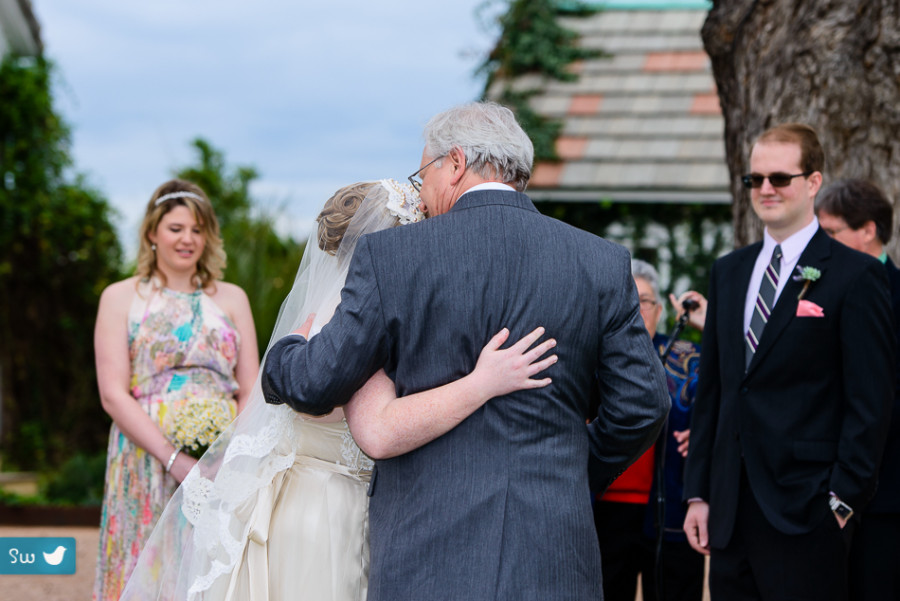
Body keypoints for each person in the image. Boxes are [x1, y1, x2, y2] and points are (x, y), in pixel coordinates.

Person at [261, 102, 670, 601]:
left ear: (454, 163)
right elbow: (644, 405)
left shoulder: (393, 258)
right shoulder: (600, 262)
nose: (425, 194)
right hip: (553, 549)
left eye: (424, 171)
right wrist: (572, 467)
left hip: (427, 551)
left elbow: (316, 383)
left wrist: (283, 353)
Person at [117, 179, 559, 601]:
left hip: (339, 504)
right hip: (326, 511)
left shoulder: (332, 315)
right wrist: (481, 383)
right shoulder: (356, 322)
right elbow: (357, 419)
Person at [682, 124, 895, 600]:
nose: (766, 189)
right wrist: (699, 492)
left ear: (813, 182)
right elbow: (714, 390)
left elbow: (872, 400)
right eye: (754, 179)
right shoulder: (729, 271)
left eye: (780, 178)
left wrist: (841, 500)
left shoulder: (855, 275)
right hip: (730, 510)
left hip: (808, 510)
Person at [92, 179, 259, 601]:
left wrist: (229, 454)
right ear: (152, 232)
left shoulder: (233, 299)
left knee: (211, 571)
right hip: (145, 458)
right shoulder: (119, 298)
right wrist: (174, 460)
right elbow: (113, 393)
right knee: (146, 569)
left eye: (197, 230)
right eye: (176, 228)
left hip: (219, 464)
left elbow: (251, 387)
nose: (188, 239)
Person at [594, 259, 706, 601]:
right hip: (604, 508)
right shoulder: (589, 354)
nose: (635, 307)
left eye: (643, 300)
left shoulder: (689, 357)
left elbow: (727, 403)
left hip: (671, 506)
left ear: (659, 310)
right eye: (626, 297)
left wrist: (704, 435)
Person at [815, 178, 900, 601]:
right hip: (818, 491)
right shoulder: (815, 290)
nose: (822, 244)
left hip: (886, 499)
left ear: (868, 230)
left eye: (831, 233)